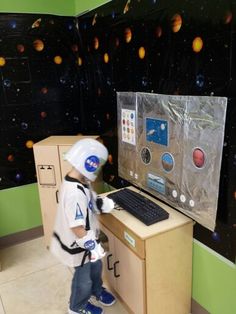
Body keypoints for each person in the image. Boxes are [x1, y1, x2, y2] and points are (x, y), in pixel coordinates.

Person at [50, 138, 116, 314]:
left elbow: (88, 201)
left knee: (96, 268)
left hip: (87, 240)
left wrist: (103, 204)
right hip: (79, 244)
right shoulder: (74, 194)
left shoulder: (78, 181)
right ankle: (77, 306)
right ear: (90, 163)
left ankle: (96, 291)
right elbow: (77, 228)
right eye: (97, 164)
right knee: (83, 278)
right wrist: (92, 247)